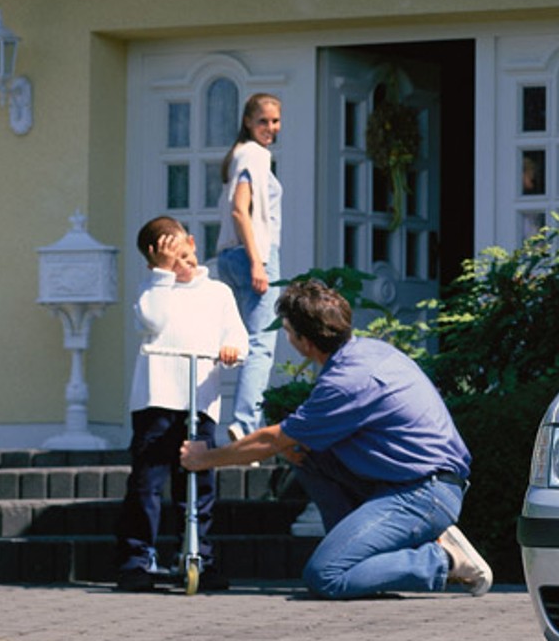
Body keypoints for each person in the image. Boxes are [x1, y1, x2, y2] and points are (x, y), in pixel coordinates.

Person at [180, 278, 492, 599]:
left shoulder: (346, 382)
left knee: (325, 575)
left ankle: (442, 560)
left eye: (287, 331)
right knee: (303, 451)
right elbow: (290, 441)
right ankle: (359, 555)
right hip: (417, 484)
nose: (287, 337)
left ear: (305, 341)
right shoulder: (367, 351)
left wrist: (203, 458)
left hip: (424, 493)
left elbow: (271, 441)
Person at [114, 217, 248, 592]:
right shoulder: (153, 291)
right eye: (174, 262)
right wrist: (161, 275)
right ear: (156, 264)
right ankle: (138, 558)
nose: (184, 267)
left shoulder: (218, 292)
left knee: (198, 482)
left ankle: (198, 555)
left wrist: (233, 349)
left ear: (192, 243)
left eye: (187, 257)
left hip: (200, 401)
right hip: (157, 399)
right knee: (147, 483)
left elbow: (237, 334)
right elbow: (152, 321)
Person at [214, 92, 283, 442]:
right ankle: (244, 427)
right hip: (252, 254)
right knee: (261, 344)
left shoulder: (238, 155)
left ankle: (221, 419)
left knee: (238, 342)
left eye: (275, 121)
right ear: (247, 121)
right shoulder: (255, 155)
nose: (270, 128)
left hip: (228, 256)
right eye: (263, 121)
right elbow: (241, 209)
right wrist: (258, 262)